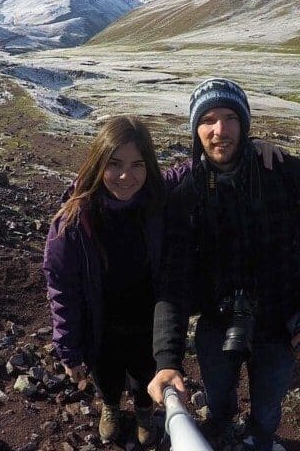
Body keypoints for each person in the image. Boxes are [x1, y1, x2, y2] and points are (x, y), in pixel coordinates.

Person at [43, 114, 281, 446]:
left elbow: (196, 166)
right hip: (99, 325)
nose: (127, 176)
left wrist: (246, 148)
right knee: (106, 375)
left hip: (149, 320)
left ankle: (143, 411)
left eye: (138, 164)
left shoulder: (157, 197)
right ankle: (111, 407)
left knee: (145, 375)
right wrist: (68, 349)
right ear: (98, 163)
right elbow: (62, 288)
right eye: (115, 164)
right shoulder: (72, 221)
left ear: (149, 166)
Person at [147, 78, 300, 451]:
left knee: (269, 402)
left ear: (245, 125)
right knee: (218, 395)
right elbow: (173, 279)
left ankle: (260, 437)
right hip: (217, 325)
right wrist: (167, 358)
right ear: (195, 128)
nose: (220, 131)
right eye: (209, 120)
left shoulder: (287, 174)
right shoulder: (185, 194)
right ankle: (221, 424)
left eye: (231, 118)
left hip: (279, 324)